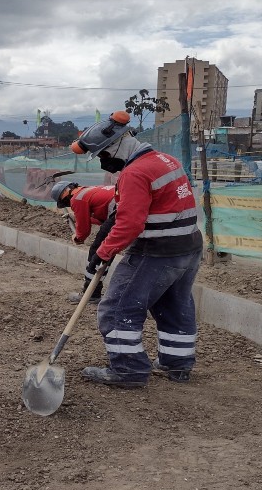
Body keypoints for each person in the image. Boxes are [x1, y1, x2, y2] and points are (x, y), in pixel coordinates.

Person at [69, 110, 203, 387]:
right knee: (174, 306)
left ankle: (128, 370)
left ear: (117, 144)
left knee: (118, 308)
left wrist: (104, 252)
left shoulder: (135, 172)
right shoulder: (166, 160)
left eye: (104, 156)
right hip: (188, 247)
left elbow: (129, 223)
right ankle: (176, 365)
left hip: (156, 251)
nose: (106, 163)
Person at [50, 180, 117, 304]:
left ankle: (91, 293)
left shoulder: (77, 198)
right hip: (126, 210)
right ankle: (93, 291)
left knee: (98, 251)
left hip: (119, 212)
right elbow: (102, 219)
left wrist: (77, 238)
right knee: (108, 250)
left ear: (64, 193)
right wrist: (78, 216)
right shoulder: (89, 190)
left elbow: (84, 231)